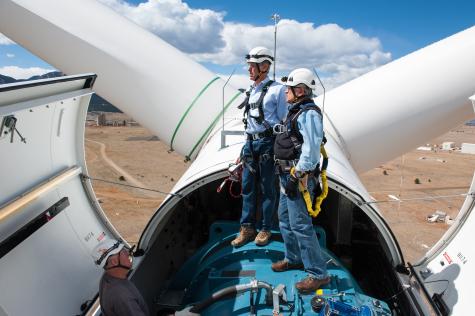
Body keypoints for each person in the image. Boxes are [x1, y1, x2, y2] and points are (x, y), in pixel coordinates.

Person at [271, 68, 330, 293]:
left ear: (300, 90)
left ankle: (318, 274)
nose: (285, 91)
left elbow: (312, 151)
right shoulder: (295, 111)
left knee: (301, 225)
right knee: (284, 220)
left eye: (289, 88)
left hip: (298, 176)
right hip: (286, 175)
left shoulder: (309, 113)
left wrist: (296, 175)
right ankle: (293, 258)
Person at [231, 46, 288, 247]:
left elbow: (284, 121)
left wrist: (280, 149)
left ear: (264, 66)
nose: (249, 70)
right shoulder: (252, 90)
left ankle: (265, 228)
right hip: (250, 144)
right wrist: (243, 149)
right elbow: (250, 123)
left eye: (252, 66)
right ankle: (246, 228)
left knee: (267, 189)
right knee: (247, 188)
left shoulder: (278, 90)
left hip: (267, 144)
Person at [92, 239, 150, 316]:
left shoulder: (107, 276)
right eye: (123, 251)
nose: (128, 252)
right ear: (114, 262)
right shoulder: (122, 297)